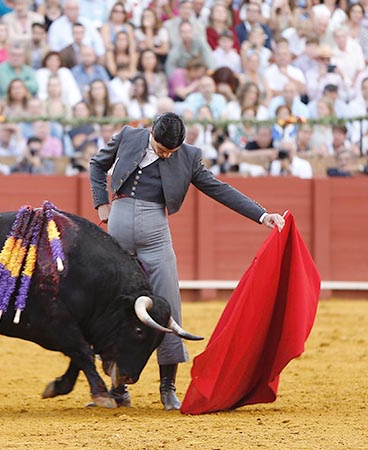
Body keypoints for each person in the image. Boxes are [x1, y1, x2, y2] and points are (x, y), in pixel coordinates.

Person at [89, 112, 285, 411]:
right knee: (118, 312)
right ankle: (118, 388)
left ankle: (167, 387)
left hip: (155, 239)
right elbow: (97, 164)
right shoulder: (129, 136)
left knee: (168, 308)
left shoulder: (188, 156)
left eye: (172, 151)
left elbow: (219, 189)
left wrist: (261, 214)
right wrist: (101, 203)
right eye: (162, 148)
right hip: (117, 239)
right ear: (152, 131)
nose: (167, 154)